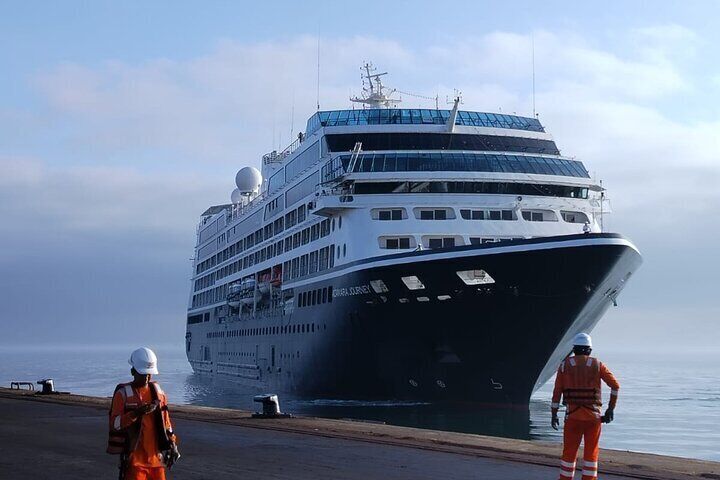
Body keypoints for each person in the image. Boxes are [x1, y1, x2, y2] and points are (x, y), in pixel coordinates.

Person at [551, 333, 619, 480]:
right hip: (593, 419)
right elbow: (615, 386)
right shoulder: (598, 365)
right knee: (591, 454)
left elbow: (557, 392)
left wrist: (554, 413)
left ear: (574, 349)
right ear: (589, 350)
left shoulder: (564, 366)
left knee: (569, 453)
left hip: (572, 418)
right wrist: (610, 409)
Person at [107, 347, 180, 480]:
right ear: (133, 371)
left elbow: (167, 423)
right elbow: (115, 424)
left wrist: (173, 445)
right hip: (135, 463)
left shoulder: (159, 393)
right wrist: (136, 413)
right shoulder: (122, 394)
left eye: (149, 374)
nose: (147, 377)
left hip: (157, 461)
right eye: (143, 373)